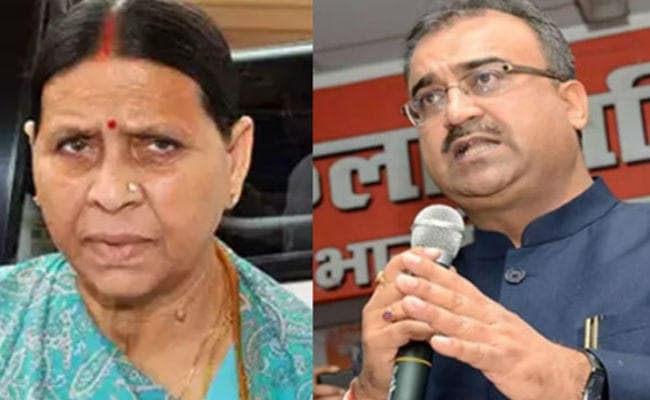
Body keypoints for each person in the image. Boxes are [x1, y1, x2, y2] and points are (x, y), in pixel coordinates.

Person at [0, 0, 311, 399]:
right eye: (75, 145)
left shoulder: (294, 363)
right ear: (34, 154)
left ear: (235, 160)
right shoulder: (10, 323)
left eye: (159, 145)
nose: (111, 194)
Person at [345, 1, 650, 399]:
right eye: (430, 98)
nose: (455, 112)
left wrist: (578, 378)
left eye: (486, 78)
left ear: (571, 104)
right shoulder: (414, 305)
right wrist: (369, 389)